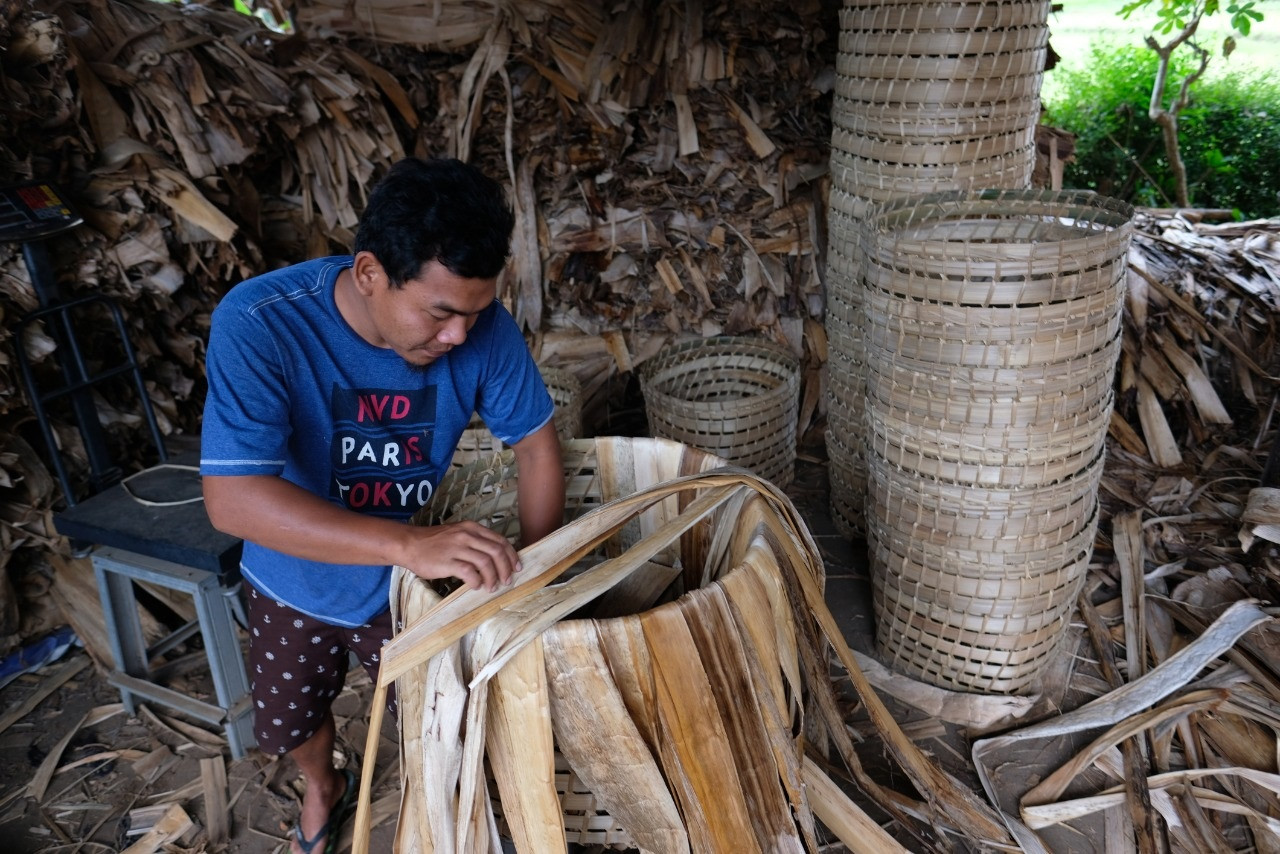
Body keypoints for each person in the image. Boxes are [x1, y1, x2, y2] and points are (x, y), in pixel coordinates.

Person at [200, 157, 565, 854]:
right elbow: (233, 500)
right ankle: (322, 786)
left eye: (475, 312)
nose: (460, 335)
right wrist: (406, 543)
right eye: (440, 312)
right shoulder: (259, 322)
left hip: (409, 594)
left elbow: (538, 449)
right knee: (293, 717)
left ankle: (433, 811)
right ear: (369, 273)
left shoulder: (484, 328)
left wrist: (534, 580)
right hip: (294, 575)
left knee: (436, 724)